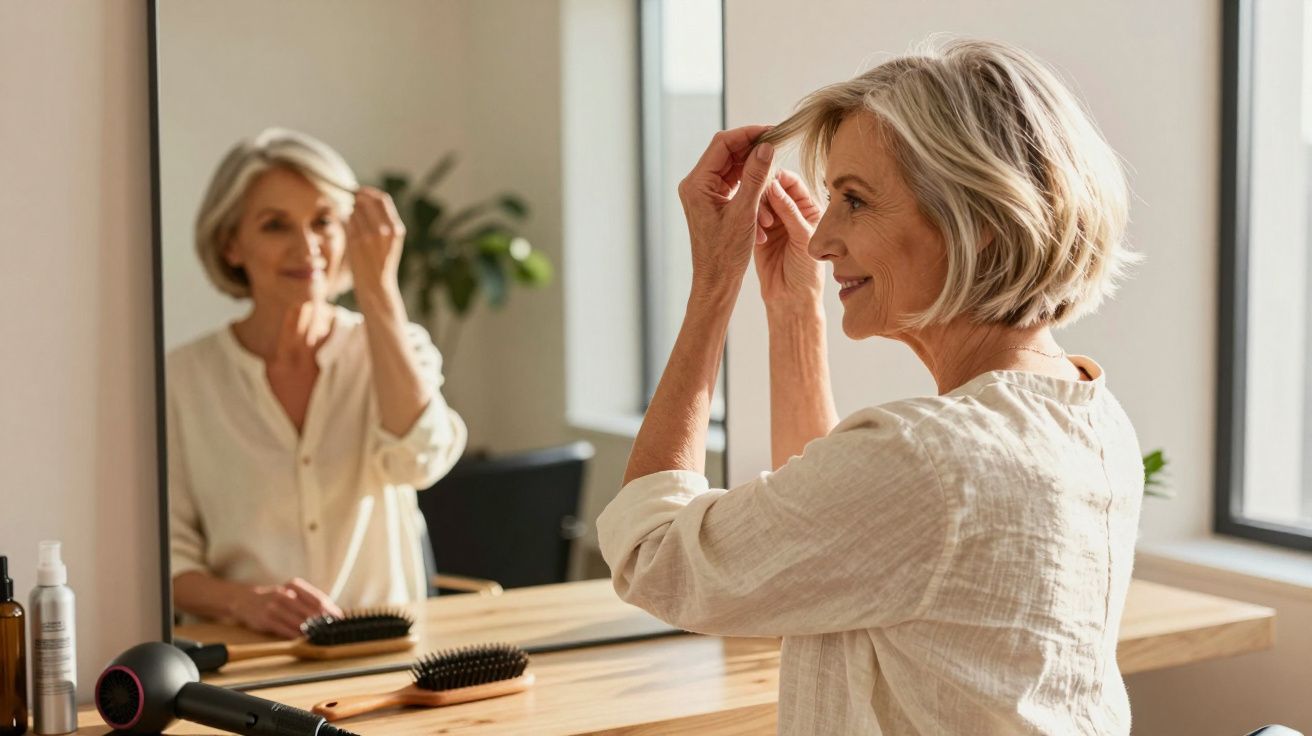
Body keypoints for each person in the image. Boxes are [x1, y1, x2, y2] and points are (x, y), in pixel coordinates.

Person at [597, 39, 1144, 734]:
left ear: (972, 220)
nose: (823, 240)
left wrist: (713, 285)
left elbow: (654, 558)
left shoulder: (932, 458)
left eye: (854, 201)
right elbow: (840, 535)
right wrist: (793, 310)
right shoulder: (1088, 414)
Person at [168, 128, 467, 638]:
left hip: (383, 650)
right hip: (248, 657)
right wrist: (244, 603)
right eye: (275, 225)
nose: (307, 247)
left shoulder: (399, 345)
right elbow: (163, 559)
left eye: (323, 222)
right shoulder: (182, 380)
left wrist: (379, 293)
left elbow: (419, 460)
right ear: (231, 244)